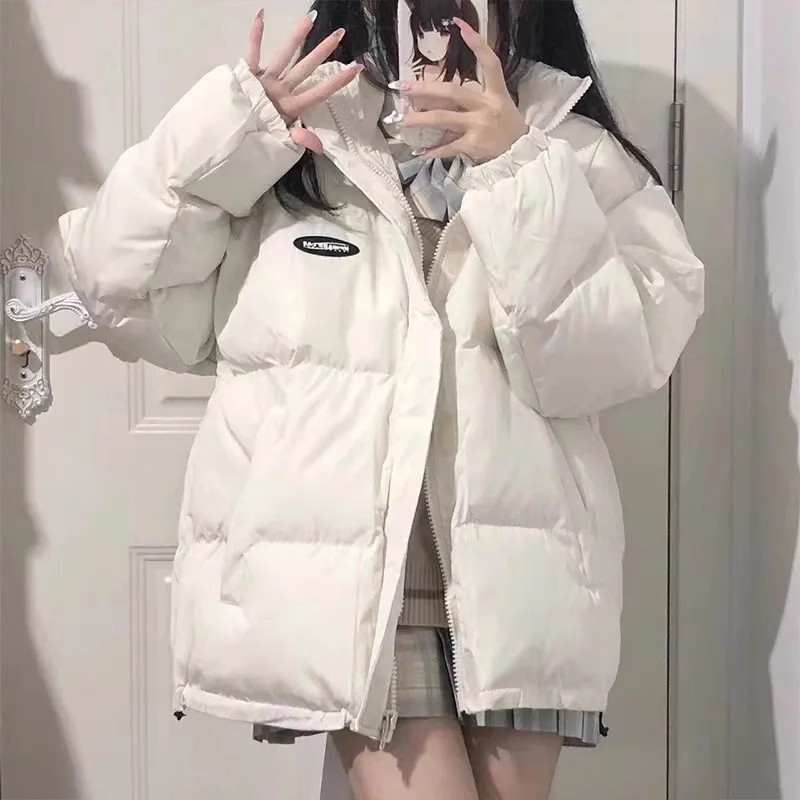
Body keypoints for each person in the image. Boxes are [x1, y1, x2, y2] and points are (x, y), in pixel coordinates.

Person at [57, 1, 705, 798]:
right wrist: (229, 136)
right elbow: (113, 281)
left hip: (525, 583)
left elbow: (612, 360)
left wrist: (517, 170)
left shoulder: (574, 152)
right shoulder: (299, 137)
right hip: (355, 583)